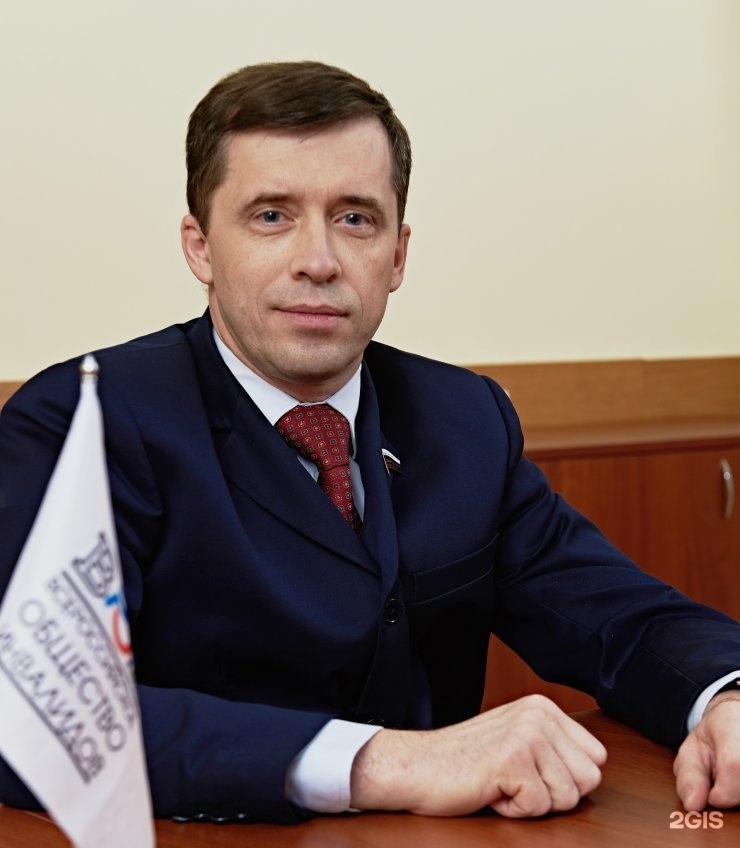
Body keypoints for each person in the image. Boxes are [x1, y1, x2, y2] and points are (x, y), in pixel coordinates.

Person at [1, 60, 739, 824]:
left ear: (397, 255)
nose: (318, 262)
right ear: (200, 247)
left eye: (355, 219)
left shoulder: (464, 418)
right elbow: (29, 714)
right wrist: (387, 763)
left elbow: (616, 615)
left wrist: (726, 694)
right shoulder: (84, 421)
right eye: (271, 215)